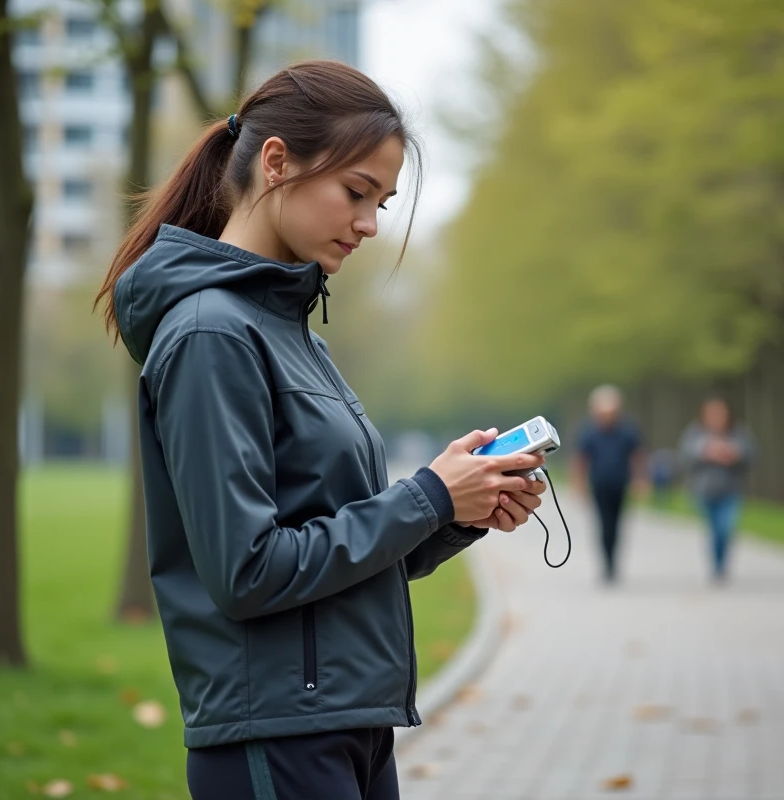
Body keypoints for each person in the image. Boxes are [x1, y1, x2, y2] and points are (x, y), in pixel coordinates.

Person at [94, 61, 548, 800]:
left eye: (384, 202)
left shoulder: (294, 335)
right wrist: (427, 497)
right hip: (274, 737)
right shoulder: (212, 334)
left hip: (347, 727)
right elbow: (249, 570)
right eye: (356, 193)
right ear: (277, 163)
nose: (371, 223)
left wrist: (459, 511)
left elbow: (335, 553)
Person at [571, 385, 647, 584]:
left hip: (620, 484)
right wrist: (579, 485)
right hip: (599, 485)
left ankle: (614, 561)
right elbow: (581, 460)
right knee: (604, 525)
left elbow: (637, 456)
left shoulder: (628, 431)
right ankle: (607, 564)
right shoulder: (589, 432)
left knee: (617, 525)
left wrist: (640, 480)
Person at [678, 397, 754, 584]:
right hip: (703, 490)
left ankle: (721, 566)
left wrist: (733, 453)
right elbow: (684, 456)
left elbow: (751, 455)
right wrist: (706, 451)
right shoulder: (695, 432)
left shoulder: (738, 432)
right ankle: (716, 565)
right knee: (713, 529)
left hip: (730, 490)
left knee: (725, 528)